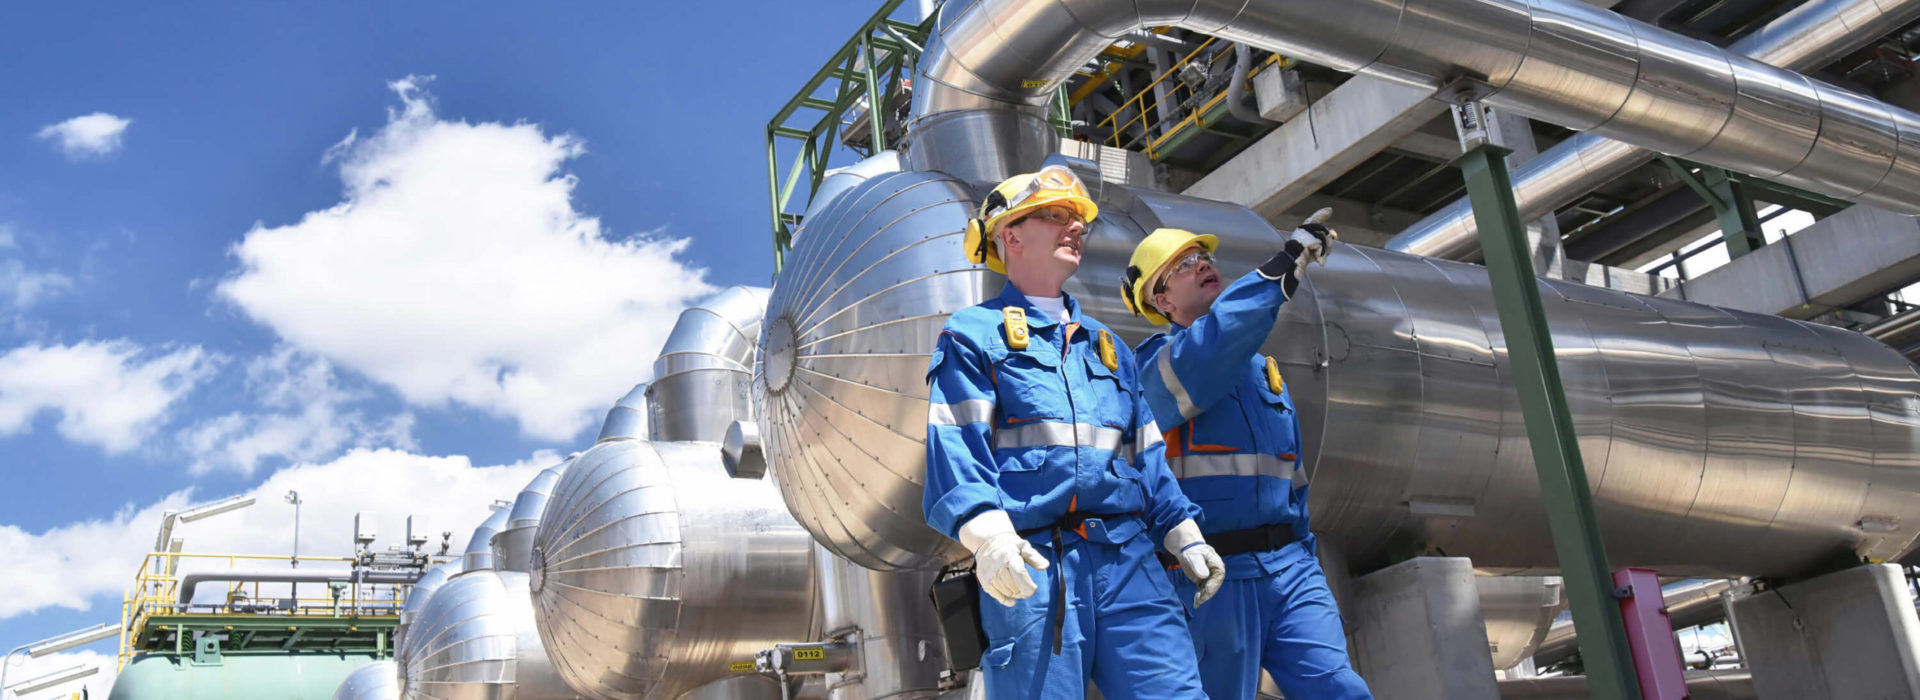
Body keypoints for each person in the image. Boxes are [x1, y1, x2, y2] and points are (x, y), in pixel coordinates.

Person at [923, 165, 1225, 700]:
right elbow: (957, 447)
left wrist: (1185, 534)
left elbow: (1144, 453)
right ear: (1010, 236)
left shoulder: (1108, 347)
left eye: (1079, 220)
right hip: (1035, 565)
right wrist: (989, 537)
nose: (1075, 228)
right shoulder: (973, 336)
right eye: (1056, 216)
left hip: (1130, 561)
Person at [1120, 215, 1374, 700]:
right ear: (1162, 300)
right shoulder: (1155, 369)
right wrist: (1284, 266)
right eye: (1183, 266)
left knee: (1340, 688)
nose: (1202, 266)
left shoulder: (1263, 374)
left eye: (1204, 258)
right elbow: (1216, 344)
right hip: (1212, 576)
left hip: (1289, 567)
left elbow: (1291, 478)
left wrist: (1305, 556)